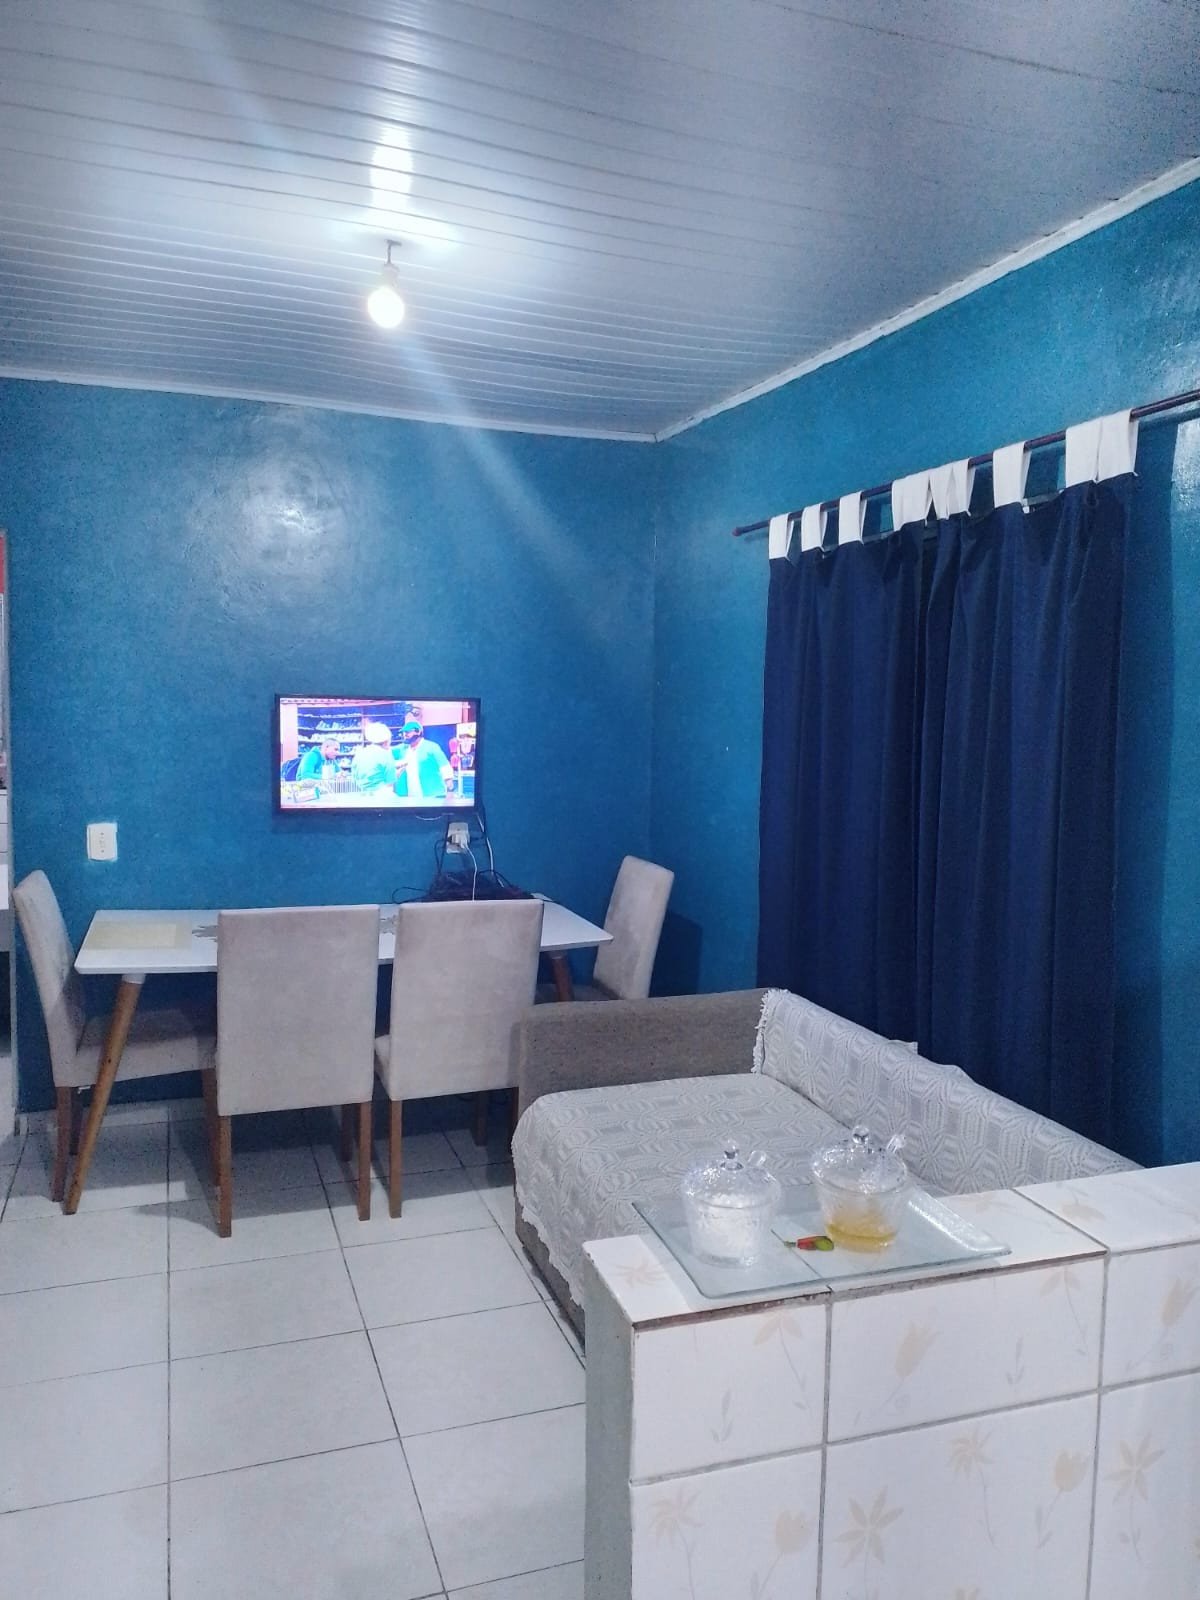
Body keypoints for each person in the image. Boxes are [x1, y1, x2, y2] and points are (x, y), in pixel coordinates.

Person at [393, 717, 454, 801]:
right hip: (408, 796)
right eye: (404, 732)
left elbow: (445, 767)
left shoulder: (432, 747)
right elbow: (385, 752)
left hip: (431, 795)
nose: (405, 735)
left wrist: (450, 791)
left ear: (418, 732)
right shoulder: (402, 749)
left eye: (408, 732)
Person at [350, 721, 396, 792]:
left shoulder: (359, 754)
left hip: (361, 793)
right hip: (381, 793)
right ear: (386, 741)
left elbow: (354, 777)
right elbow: (390, 782)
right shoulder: (386, 755)